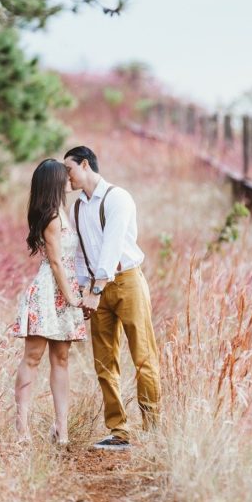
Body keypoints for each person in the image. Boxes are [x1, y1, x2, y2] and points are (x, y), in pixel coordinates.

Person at [63, 146, 161, 451]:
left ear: (84, 164)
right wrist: (83, 291)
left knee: (143, 355)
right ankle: (119, 431)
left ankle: (153, 429)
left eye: (69, 170)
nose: (67, 177)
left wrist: (96, 289)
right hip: (95, 289)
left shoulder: (117, 197)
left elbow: (113, 245)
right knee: (104, 361)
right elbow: (79, 254)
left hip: (127, 282)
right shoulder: (77, 207)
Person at [11, 158, 87, 446]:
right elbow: (55, 261)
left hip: (64, 289)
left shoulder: (63, 212)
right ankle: (22, 430)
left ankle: (61, 429)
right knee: (32, 357)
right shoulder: (52, 216)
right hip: (49, 291)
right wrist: (70, 297)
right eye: (63, 175)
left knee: (62, 359)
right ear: (54, 182)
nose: (69, 178)